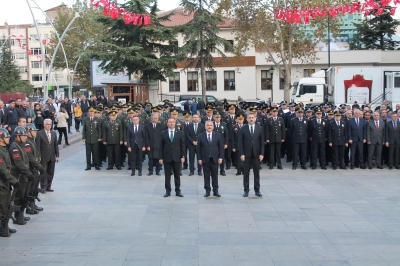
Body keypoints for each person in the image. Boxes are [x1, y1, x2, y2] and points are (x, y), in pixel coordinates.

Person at [9, 126, 34, 225]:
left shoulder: (21, 145)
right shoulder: (15, 147)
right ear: (18, 136)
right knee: (18, 197)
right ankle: (17, 216)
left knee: (23, 196)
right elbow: (19, 163)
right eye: (23, 136)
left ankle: (21, 214)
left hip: (23, 175)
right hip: (19, 175)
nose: (25, 137)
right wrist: (28, 173)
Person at [238, 113, 264, 197]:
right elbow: (240, 142)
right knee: (246, 173)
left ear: (255, 119)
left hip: (256, 154)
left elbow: (262, 143)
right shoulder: (243, 129)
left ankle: (257, 190)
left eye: (253, 117)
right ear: (247, 119)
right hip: (246, 154)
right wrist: (241, 153)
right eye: (250, 118)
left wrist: (261, 154)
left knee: (256, 173)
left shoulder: (259, 128)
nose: (251, 119)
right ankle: (246, 190)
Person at [159, 118, 185, 198]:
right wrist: (160, 158)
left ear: (175, 123)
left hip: (177, 157)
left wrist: (183, 156)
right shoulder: (163, 133)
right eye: (170, 122)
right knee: (167, 175)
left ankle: (178, 191)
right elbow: (160, 146)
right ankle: (168, 191)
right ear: (167, 123)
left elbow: (182, 146)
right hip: (166, 157)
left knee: (177, 175)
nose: (171, 123)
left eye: (173, 122)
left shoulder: (179, 133)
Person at [197, 120, 224, 197]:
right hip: (205, 159)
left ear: (213, 127)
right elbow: (198, 148)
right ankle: (207, 190)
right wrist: (199, 158)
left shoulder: (217, 135)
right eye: (208, 125)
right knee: (206, 176)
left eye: (210, 125)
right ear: (205, 127)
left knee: (215, 176)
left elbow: (220, 147)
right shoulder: (201, 136)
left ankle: (215, 191)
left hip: (215, 159)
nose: (209, 127)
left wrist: (220, 157)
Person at [0, 128, 19, 237]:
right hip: (1, 184)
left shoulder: (4, 149)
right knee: (1, 207)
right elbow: (2, 169)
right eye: (6, 137)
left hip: (5, 183)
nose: (8, 138)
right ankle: (1, 227)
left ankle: (4, 225)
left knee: (6, 205)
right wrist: (13, 180)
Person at [24, 123, 44, 215]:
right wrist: (38, 166)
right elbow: (30, 157)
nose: (35, 132)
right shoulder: (27, 142)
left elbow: (36, 154)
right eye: (33, 130)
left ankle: (33, 204)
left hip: (34, 169)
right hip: (32, 169)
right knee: (30, 189)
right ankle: (29, 206)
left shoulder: (32, 141)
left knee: (34, 189)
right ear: (28, 132)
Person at [36, 119, 59, 192]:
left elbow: (56, 145)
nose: (49, 126)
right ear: (44, 125)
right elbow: (38, 146)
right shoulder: (39, 133)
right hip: (43, 156)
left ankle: (49, 186)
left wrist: (57, 155)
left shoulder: (54, 133)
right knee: (43, 172)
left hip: (52, 156)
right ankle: (43, 186)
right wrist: (39, 156)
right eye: (47, 124)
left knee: (51, 172)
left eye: (50, 124)